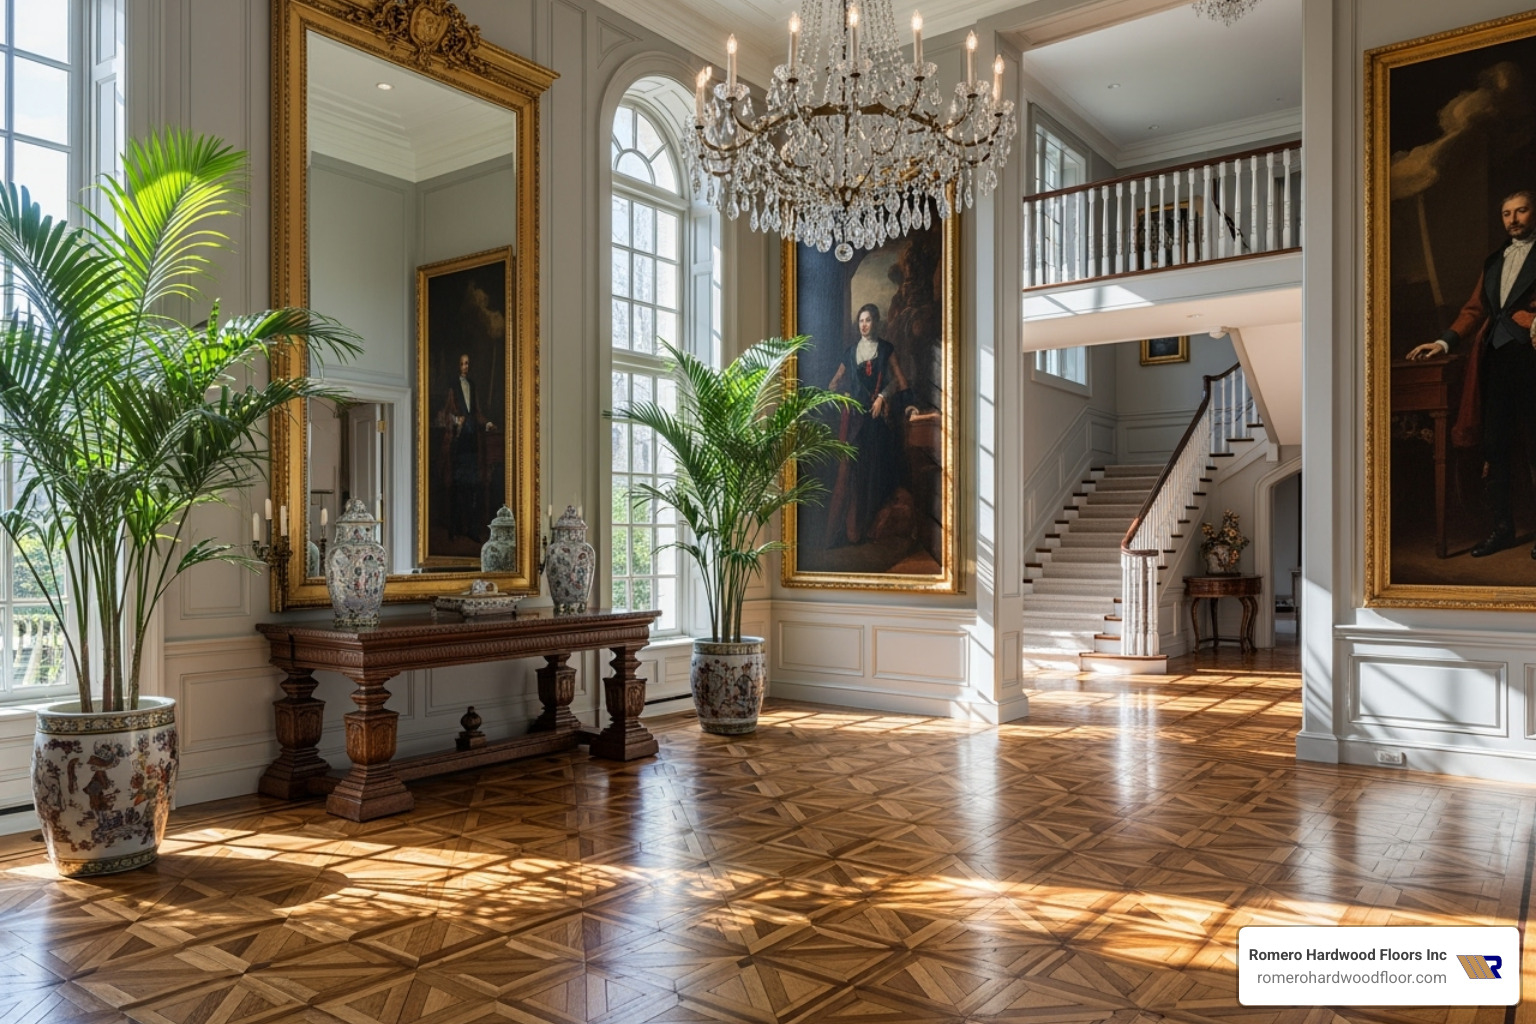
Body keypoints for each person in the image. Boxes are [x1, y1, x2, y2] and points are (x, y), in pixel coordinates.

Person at [1408, 189, 1536, 558]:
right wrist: (1444, 342)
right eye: (1507, 213)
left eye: (1521, 211)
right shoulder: (1495, 260)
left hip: (1531, 358)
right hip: (1494, 362)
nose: (1513, 219)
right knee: (1495, 446)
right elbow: (1474, 309)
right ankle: (1502, 529)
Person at [823, 303, 911, 547]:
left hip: (876, 423)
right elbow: (832, 384)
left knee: (872, 474)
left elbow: (900, 381)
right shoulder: (851, 352)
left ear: (876, 322)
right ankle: (848, 530)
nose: (864, 325)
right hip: (854, 422)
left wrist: (883, 396)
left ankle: (864, 527)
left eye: (868, 320)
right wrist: (846, 396)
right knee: (850, 474)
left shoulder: (885, 349)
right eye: (861, 321)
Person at [438, 353, 496, 541]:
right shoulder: (452, 386)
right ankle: (454, 527)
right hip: (458, 443)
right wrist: (456, 420)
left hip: (472, 444)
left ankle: (472, 528)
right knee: (457, 486)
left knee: (473, 486)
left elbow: (477, 412)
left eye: (467, 363)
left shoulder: (472, 385)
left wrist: (487, 424)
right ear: (457, 365)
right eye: (462, 363)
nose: (465, 366)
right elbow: (444, 414)